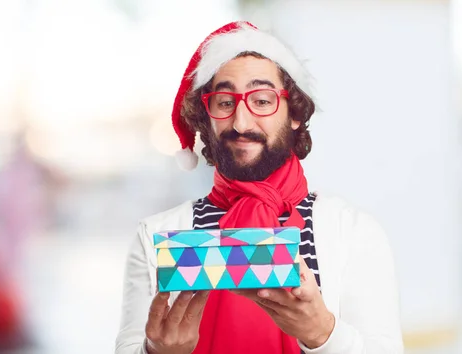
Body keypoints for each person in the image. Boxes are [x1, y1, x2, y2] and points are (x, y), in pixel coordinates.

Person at [115, 21, 403, 354]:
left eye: (262, 100)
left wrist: (323, 334)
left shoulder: (353, 232)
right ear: (206, 117)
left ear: (294, 112)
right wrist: (157, 353)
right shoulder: (154, 237)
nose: (241, 122)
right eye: (224, 102)